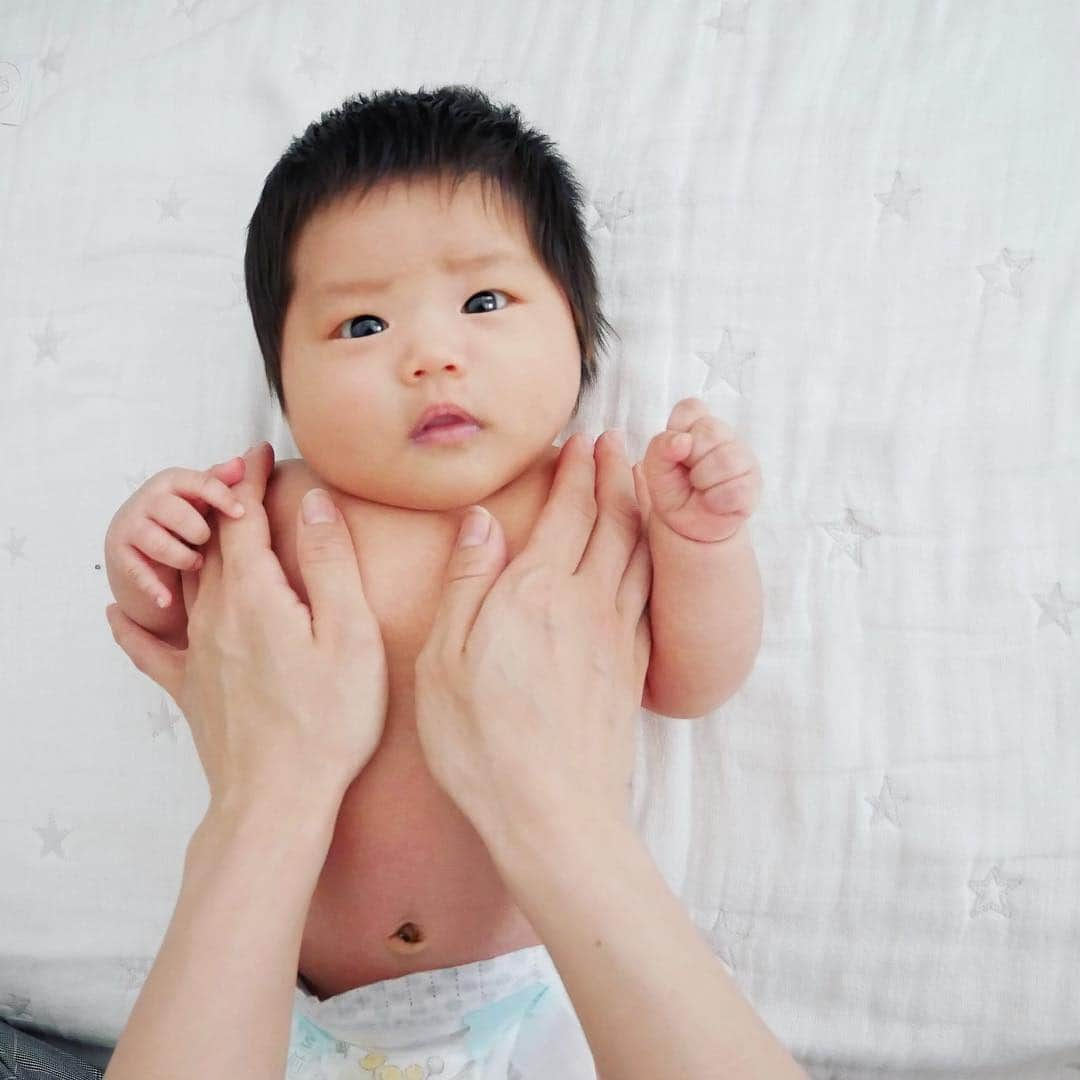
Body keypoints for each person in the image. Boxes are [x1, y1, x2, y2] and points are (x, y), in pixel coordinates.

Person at [96, 437, 805, 1079]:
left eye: (487, 305)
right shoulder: (271, 508)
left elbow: (688, 683)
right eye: (363, 325)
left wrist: (701, 549)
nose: (428, 355)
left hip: (546, 1006)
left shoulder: (588, 505)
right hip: (285, 1022)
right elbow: (195, 641)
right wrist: (151, 546)